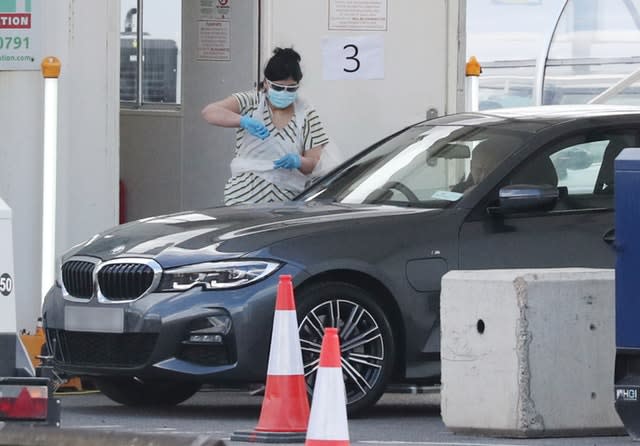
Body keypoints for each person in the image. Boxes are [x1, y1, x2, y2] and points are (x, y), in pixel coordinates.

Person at [202, 47, 330, 205]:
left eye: (291, 89)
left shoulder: (306, 115)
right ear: (266, 83)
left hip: (287, 204)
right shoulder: (251, 102)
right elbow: (210, 112)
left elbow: (314, 163)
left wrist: (298, 161)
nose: (284, 93)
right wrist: (242, 121)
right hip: (242, 198)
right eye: (278, 87)